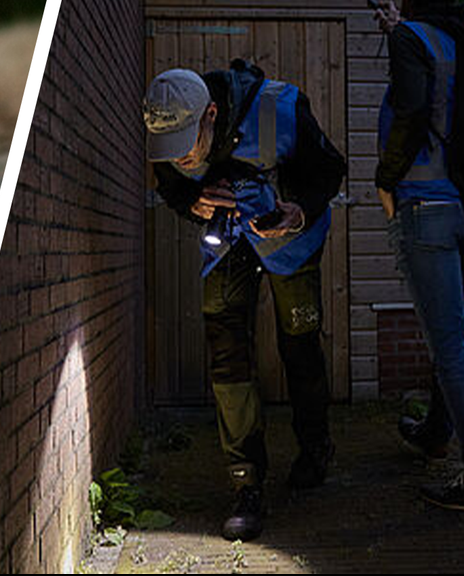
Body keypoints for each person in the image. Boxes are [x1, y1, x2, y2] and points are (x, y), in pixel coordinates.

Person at [144, 61, 346, 541]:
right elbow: (171, 187)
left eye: (189, 146)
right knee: (228, 359)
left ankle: (316, 449)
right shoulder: (166, 123)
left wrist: (297, 211)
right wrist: (192, 203)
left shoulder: (281, 106)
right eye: (171, 151)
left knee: (300, 347)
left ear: (211, 113)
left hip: (291, 242)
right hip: (227, 247)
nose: (182, 159)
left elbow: (329, 169)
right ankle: (245, 483)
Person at [373, 0, 464, 515]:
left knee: (449, 343)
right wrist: (396, 32)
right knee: (452, 336)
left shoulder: (414, 40)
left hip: (427, 206)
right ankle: (435, 431)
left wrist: (385, 179)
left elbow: (411, 110)